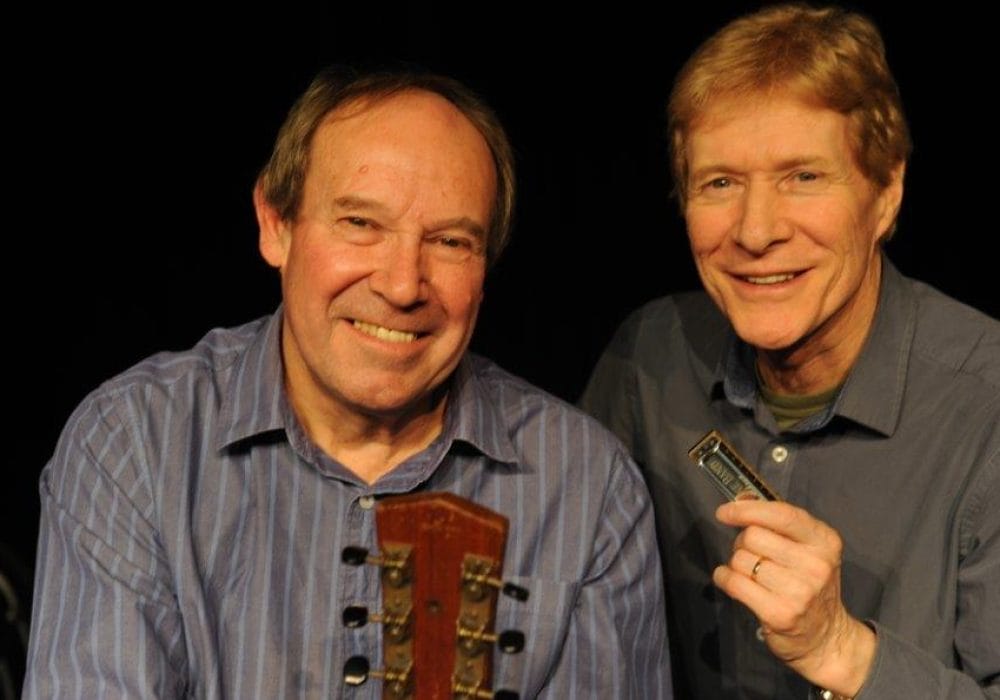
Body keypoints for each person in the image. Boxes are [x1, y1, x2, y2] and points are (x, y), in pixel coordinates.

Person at [23, 66, 671, 699]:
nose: (400, 285)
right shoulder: (135, 442)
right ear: (276, 225)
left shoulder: (587, 486)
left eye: (449, 241)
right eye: (361, 224)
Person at [581, 4, 999, 699]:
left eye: (803, 177)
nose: (755, 230)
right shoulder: (647, 360)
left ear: (886, 193)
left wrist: (842, 650)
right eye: (720, 183)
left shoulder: (986, 405)